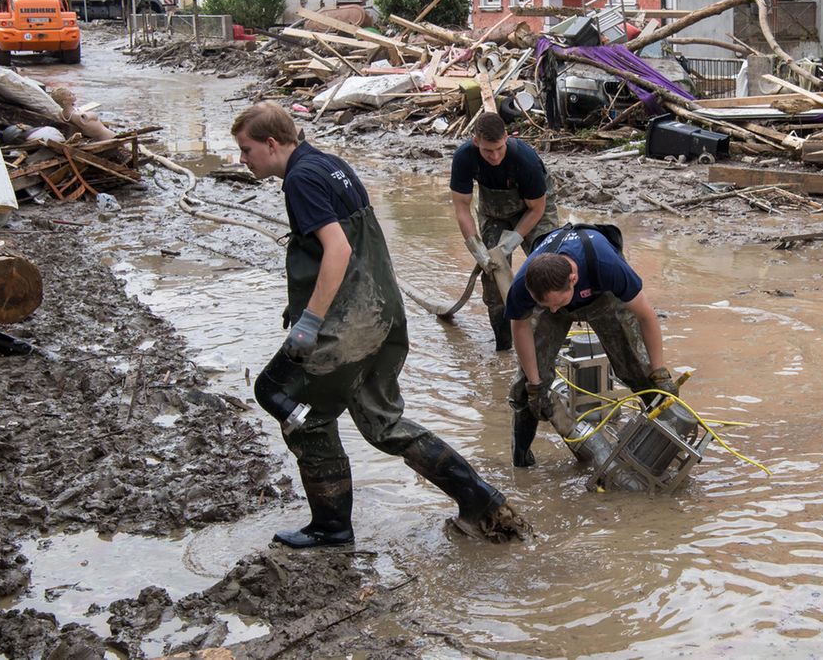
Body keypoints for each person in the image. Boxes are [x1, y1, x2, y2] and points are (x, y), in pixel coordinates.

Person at [232, 101, 528, 547]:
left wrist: (310, 321)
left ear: (272, 144)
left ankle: (332, 526)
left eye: (246, 150)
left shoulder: (300, 179)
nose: (242, 160)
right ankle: (482, 500)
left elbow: (338, 250)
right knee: (383, 423)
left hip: (348, 325)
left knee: (283, 399)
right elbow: (354, 245)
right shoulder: (331, 164)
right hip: (384, 316)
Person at [504, 225, 677, 467]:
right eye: (544, 304)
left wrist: (659, 371)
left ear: (573, 279)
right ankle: (521, 461)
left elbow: (646, 315)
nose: (553, 309)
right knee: (526, 387)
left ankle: (666, 452)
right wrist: (535, 385)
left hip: (603, 297)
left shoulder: (607, 265)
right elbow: (520, 328)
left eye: (557, 303)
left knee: (641, 373)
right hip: (554, 293)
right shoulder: (525, 284)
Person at [450, 111, 559, 352]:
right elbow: (462, 207)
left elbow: (537, 208)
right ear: (476, 141)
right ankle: (504, 346)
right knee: (493, 274)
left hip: (534, 209)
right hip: (494, 212)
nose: (495, 156)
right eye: (488, 151)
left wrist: (514, 239)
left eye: (500, 148)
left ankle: (548, 341)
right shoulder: (464, 158)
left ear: (506, 138)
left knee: (549, 268)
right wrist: (474, 246)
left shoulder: (525, 160)